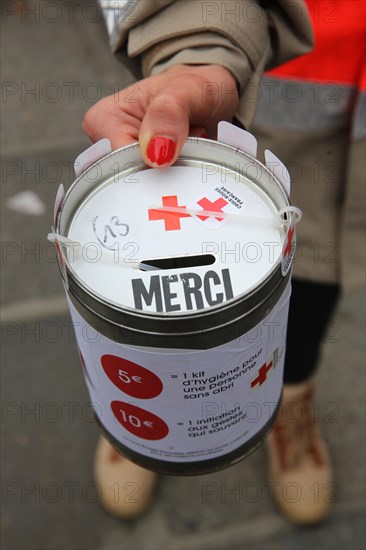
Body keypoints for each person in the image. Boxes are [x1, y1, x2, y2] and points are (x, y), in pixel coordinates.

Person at [83, 0, 365, 524]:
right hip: (262, 82)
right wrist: (194, 51)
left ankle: (290, 396)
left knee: (321, 265)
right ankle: (136, 409)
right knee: (149, 262)